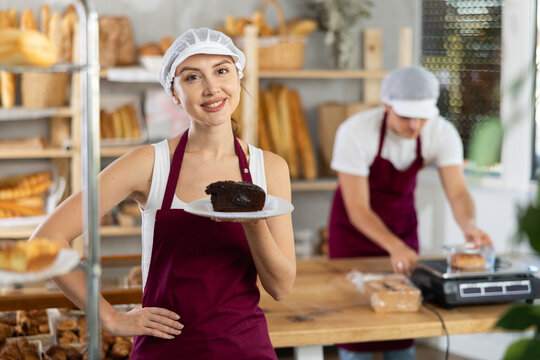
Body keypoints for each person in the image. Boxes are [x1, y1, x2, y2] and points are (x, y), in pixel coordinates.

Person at [31, 28, 295, 359]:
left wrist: (253, 221)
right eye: (192, 77)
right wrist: (110, 319)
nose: (212, 87)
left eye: (221, 71)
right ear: (173, 92)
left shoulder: (269, 168)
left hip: (245, 348)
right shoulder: (149, 164)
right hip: (165, 350)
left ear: (238, 76)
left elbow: (281, 287)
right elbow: (45, 242)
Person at [328, 66, 492, 360]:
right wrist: (394, 246)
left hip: (403, 229)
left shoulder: (441, 132)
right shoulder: (355, 132)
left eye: (422, 116)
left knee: (404, 324)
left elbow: (457, 191)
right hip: (354, 234)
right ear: (387, 105)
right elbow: (358, 208)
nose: (414, 125)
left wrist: (470, 225)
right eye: (405, 116)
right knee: (355, 326)